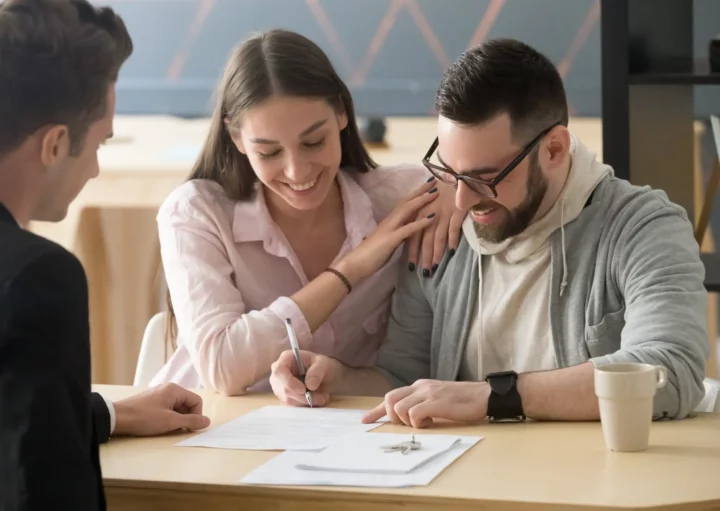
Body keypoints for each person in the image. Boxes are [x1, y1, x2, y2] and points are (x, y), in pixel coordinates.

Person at [269, 38, 709, 426]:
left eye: (484, 176)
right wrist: (338, 377)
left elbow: (671, 371)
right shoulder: (441, 232)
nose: (460, 201)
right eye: (449, 172)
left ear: (554, 149)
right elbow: (406, 377)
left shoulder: (642, 227)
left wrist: (493, 397)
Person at [150, 29, 463, 395]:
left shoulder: (402, 199)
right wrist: (350, 270)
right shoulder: (196, 213)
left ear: (342, 114)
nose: (297, 171)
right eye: (269, 152)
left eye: (314, 142)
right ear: (236, 139)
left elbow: (483, 173)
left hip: (351, 434)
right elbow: (222, 368)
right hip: (207, 431)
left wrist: (454, 182)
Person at [0, 1, 210, 509]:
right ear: (54, 144)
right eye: (98, 143)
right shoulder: (38, 276)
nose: (95, 168)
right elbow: (42, 487)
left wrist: (109, 414)